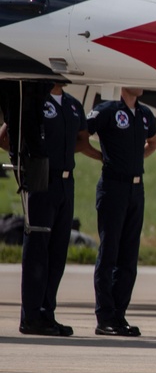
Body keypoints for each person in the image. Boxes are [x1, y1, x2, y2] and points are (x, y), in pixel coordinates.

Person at [0, 83, 90, 336]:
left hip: (65, 181)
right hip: (41, 179)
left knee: (58, 251)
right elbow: (5, 136)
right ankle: (31, 316)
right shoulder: (34, 100)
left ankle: (47, 313)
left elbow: (82, 139)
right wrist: (28, 157)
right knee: (38, 248)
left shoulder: (73, 104)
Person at [85, 87, 156, 336]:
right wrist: (102, 156)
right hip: (113, 187)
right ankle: (104, 316)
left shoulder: (145, 114)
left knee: (129, 256)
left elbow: (153, 142)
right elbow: (82, 136)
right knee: (109, 253)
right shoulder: (107, 110)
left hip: (136, 189)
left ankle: (118, 315)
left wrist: (138, 157)